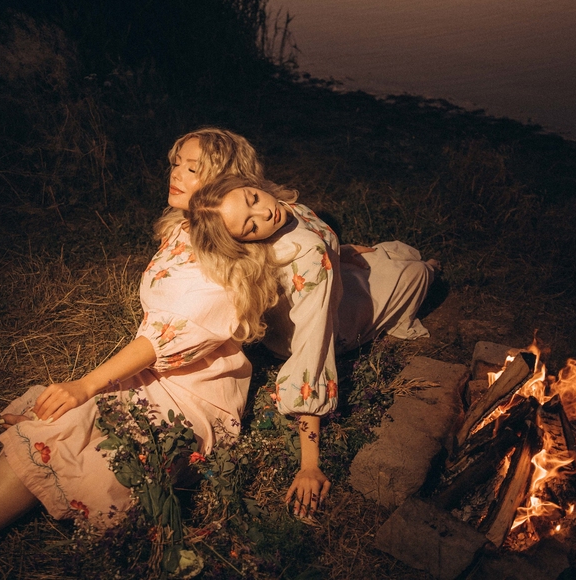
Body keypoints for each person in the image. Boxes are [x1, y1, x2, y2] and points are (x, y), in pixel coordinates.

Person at [0, 128, 265, 562]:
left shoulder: (222, 263)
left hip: (194, 398)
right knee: (62, 420)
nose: (176, 174)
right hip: (159, 373)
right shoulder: (187, 229)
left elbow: (163, 339)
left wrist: (86, 385)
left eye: (192, 169)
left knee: (66, 423)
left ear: (223, 183)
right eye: (176, 163)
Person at [187, 176, 439, 517]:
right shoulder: (307, 256)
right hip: (324, 323)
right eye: (251, 226)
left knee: (393, 253)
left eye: (253, 199)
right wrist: (309, 464)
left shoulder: (284, 211)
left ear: (250, 184)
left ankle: (389, 266)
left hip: (329, 284)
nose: (265, 213)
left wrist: (341, 252)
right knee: (416, 273)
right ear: (242, 241)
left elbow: (306, 238)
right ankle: (425, 273)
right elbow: (312, 349)